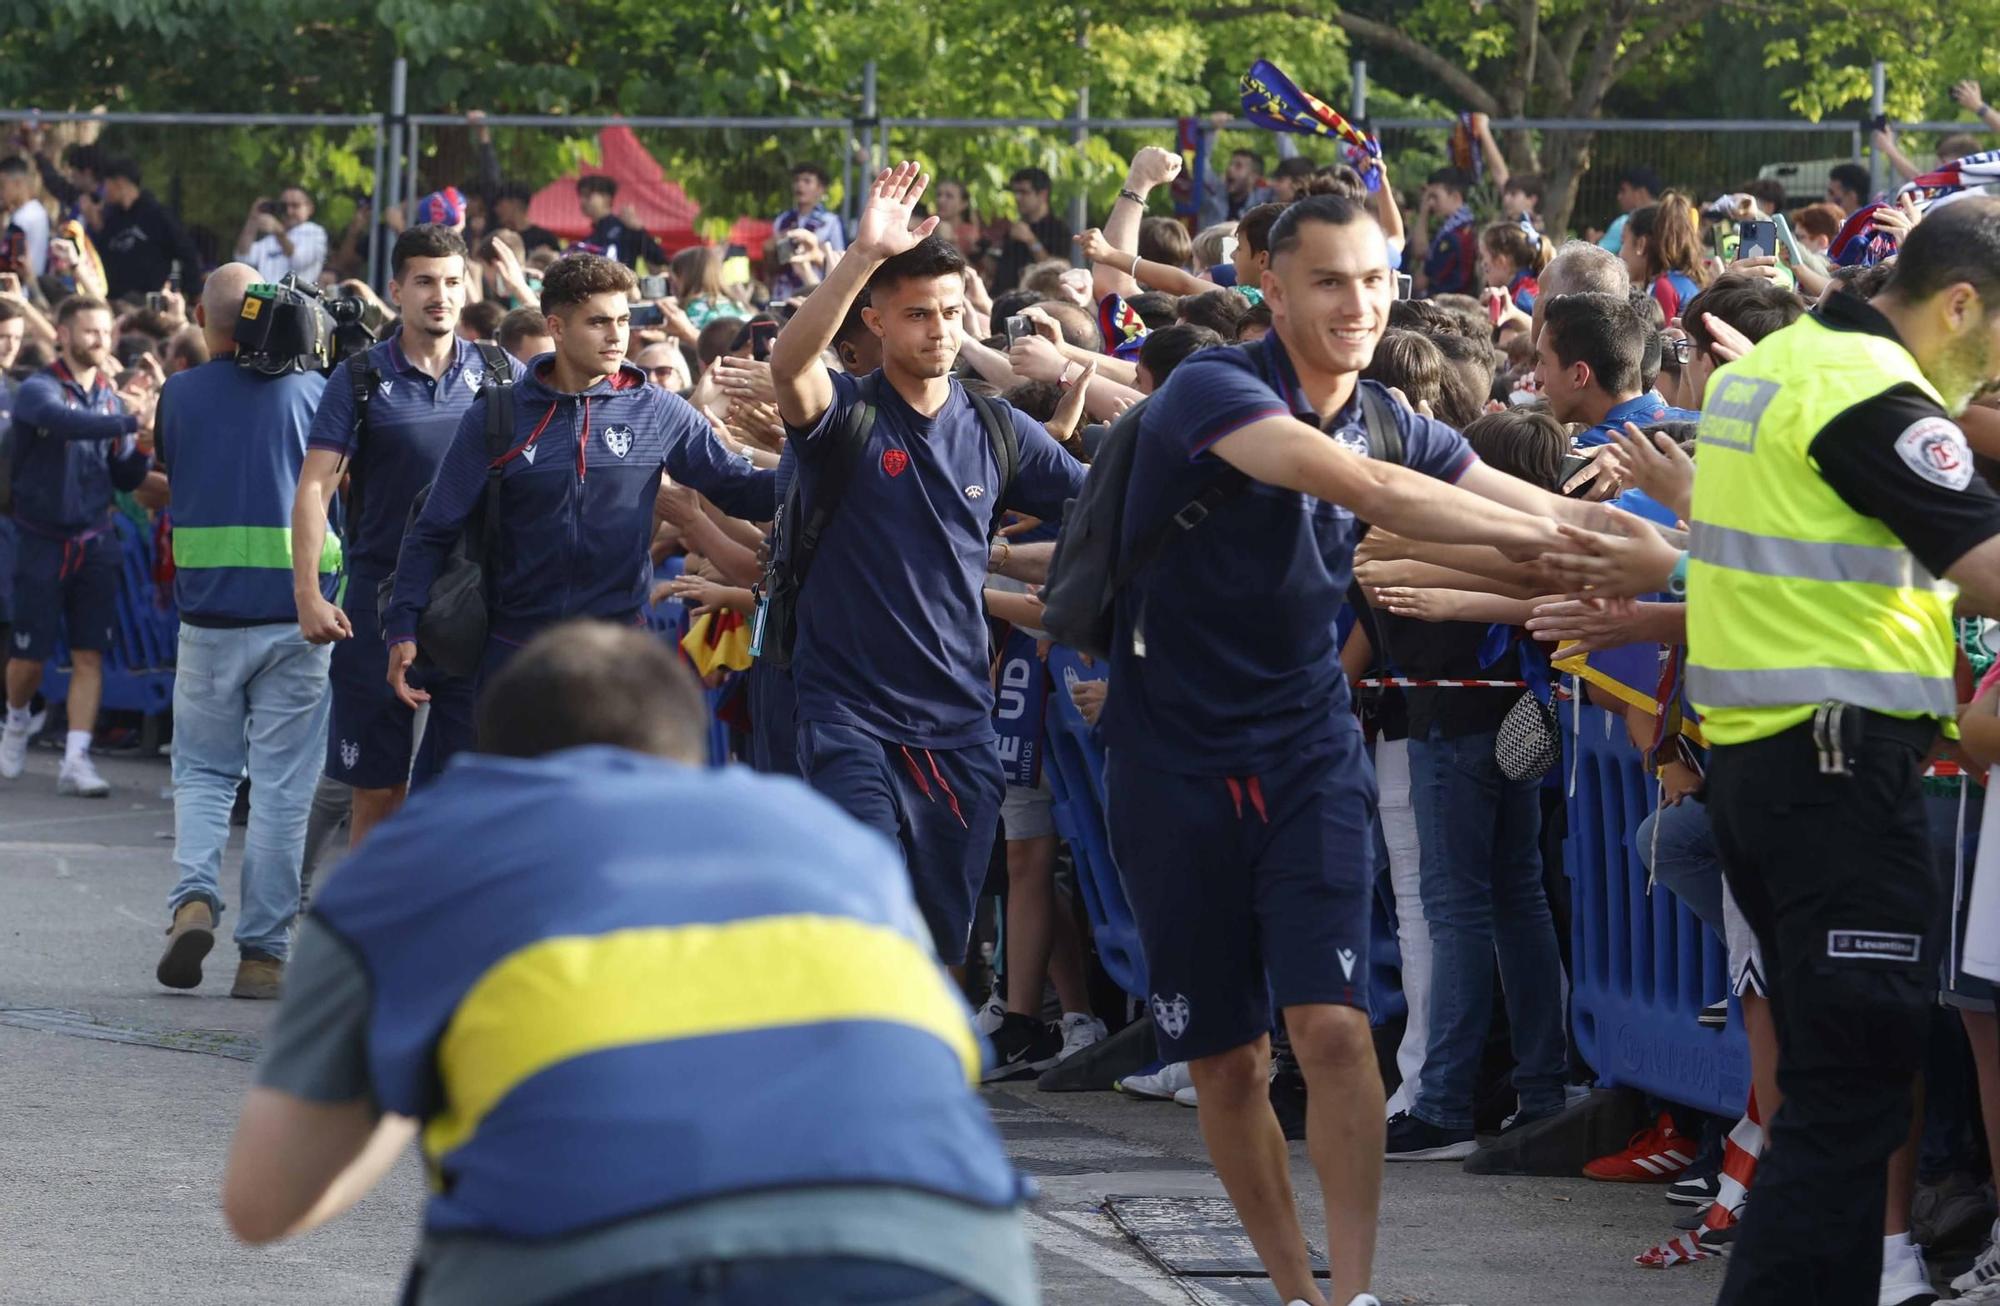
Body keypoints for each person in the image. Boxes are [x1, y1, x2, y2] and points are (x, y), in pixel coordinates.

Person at [1100, 192, 1604, 1306]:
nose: (1357, 303)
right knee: (1230, 1059)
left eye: (1374, 280)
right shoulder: (1212, 387)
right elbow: (1371, 492)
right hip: (1169, 756)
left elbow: (1498, 488)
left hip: (1305, 749)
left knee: (1332, 1030)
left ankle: (1356, 1292)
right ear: (1269, 286)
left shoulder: (1389, 411)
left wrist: (1634, 537)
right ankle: (1292, 1288)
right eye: (1328, 280)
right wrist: (1561, 537)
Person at [220, 621, 1035, 1306]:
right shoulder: (833, 845)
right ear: (688, 754)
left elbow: (263, 1204)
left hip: (593, 1260)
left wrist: (409, 1069)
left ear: (495, 764)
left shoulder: (417, 859)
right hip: (950, 1255)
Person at [1645, 197, 2000, 1306]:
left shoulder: (1778, 365)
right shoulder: (1869, 396)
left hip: (1771, 761)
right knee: (1852, 1089)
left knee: (1830, 1089)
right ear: (1957, 305)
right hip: (1836, 768)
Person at [767, 164, 1085, 977]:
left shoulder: (998, 425)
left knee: (937, 947)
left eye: (949, 313)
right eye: (915, 314)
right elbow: (788, 365)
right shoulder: (846, 415)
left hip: (956, 724)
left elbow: (1100, 505)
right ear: (874, 319)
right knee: (865, 905)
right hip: (845, 714)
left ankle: (908, 1077)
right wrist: (862, 251)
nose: (938, 329)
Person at [384, 252, 773, 696]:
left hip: (618, 657)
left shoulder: (658, 410)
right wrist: (402, 625)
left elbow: (743, 491)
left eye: (623, 321)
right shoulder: (498, 416)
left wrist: (816, 451)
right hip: (516, 655)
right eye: (598, 323)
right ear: (557, 328)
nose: (616, 336)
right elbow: (434, 528)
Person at [292, 225, 523, 849]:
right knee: (378, 788)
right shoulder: (360, 378)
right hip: (379, 597)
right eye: (423, 281)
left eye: (452, 281)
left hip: (477, 603)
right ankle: (370, 936)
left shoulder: (503, 374)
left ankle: (448, 935)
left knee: (467, 789)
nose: (439, 295)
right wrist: (309, 594)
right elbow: (315, 488)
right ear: (396, 289)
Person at [151, 264, 333, 1000]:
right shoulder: (318, 395)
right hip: (301, 617)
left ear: (202, 316)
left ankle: (193, 899)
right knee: (284, 792)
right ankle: (262, 954)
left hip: (208, 617)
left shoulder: (180, 393)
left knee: (202, 772)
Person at [0, 294, 153, 796]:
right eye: (90, 331)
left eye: (105, 332)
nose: (101, 341)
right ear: (63, 335)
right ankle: (17, 719)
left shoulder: (110, 398)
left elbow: (125, 474)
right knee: (29, 659)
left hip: (94, 540)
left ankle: (77, 758)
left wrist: (143, 443)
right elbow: (67, 424)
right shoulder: (38, 390)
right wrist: (131, 420)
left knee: (90, 654)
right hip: (41, 539)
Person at [1535, 291, 1698, 446]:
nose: (1537, 376)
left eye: (1543, 362)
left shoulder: (1584, 456)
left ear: (1578, 375)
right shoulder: (1711, 429)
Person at [94, 157, 203, 303]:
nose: (104, 190)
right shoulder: (111, 219)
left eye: (106, 184)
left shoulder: (157, 215)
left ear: (119, 183)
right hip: (115, 301)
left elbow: (187, 252)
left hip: (150, 302)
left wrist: (194, 292)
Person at [1621, 192, 1710, 319]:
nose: (1620, 253)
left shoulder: (1664, 287)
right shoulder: (1682, 280)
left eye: (1623, 241)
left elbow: (1660, 338)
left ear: (1641, 244)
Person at [984, 166, 1071, 295]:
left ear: (1042, 195)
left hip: (1036, 303)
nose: (1017, 198)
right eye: (1016, 192)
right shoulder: (1015, 228)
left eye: (1024, 192)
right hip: (1003, 298)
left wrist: (1031, 241)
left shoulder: (1058, 229)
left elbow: (1057, 271)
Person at [770, 162, 846, 301]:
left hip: (815, 293)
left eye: (807, 181)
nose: (800, 185)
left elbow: (839, 262)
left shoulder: (831, 222)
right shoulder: (782, 221)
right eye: (797, 181)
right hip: (783, 294)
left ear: (820, 189)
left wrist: (814, 252)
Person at [236, 186, 327, 285]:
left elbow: (300, 261)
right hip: (267, 296)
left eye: (295, 206)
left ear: (309, 208)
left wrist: (279, 233)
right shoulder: (270, 239)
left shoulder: (315, 232)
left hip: (297, 298)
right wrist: (253, 218)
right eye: (284, 206)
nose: (289, 211)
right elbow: (242, 257)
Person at [1410, 166, 1478, 297]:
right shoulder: (1464, 226)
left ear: (1455, 197)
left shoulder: (1453, 237)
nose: (1430, 203)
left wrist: (1423, 212)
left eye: (1434, 197)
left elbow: (1420, 281)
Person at [572, 174, 665, 269]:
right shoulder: (589, 238)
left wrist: (639, 231)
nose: (582, 201)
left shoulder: (625, 227)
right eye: (581, 196)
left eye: (587, 195)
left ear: (606, 197)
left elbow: (658, 259)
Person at [1479, 218, 1550, 317]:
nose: (1482, 265)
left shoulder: (1520, 302)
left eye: (1484, 260)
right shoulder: (1528, 287)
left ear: (1501, 262)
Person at [1, 156, 50, 280]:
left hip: (21, 288)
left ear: (18, 183)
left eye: (2, 186)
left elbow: (12, 263)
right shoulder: (38, 211)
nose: (1, 193)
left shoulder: (22, 220)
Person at [1597, 165, 1662, 255]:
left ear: (1640, 193)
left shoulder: (1624, 223)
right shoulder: (1669, 221)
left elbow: (1599, 256)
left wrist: (1592, 241)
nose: (1619, 196)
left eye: (1623, 190)